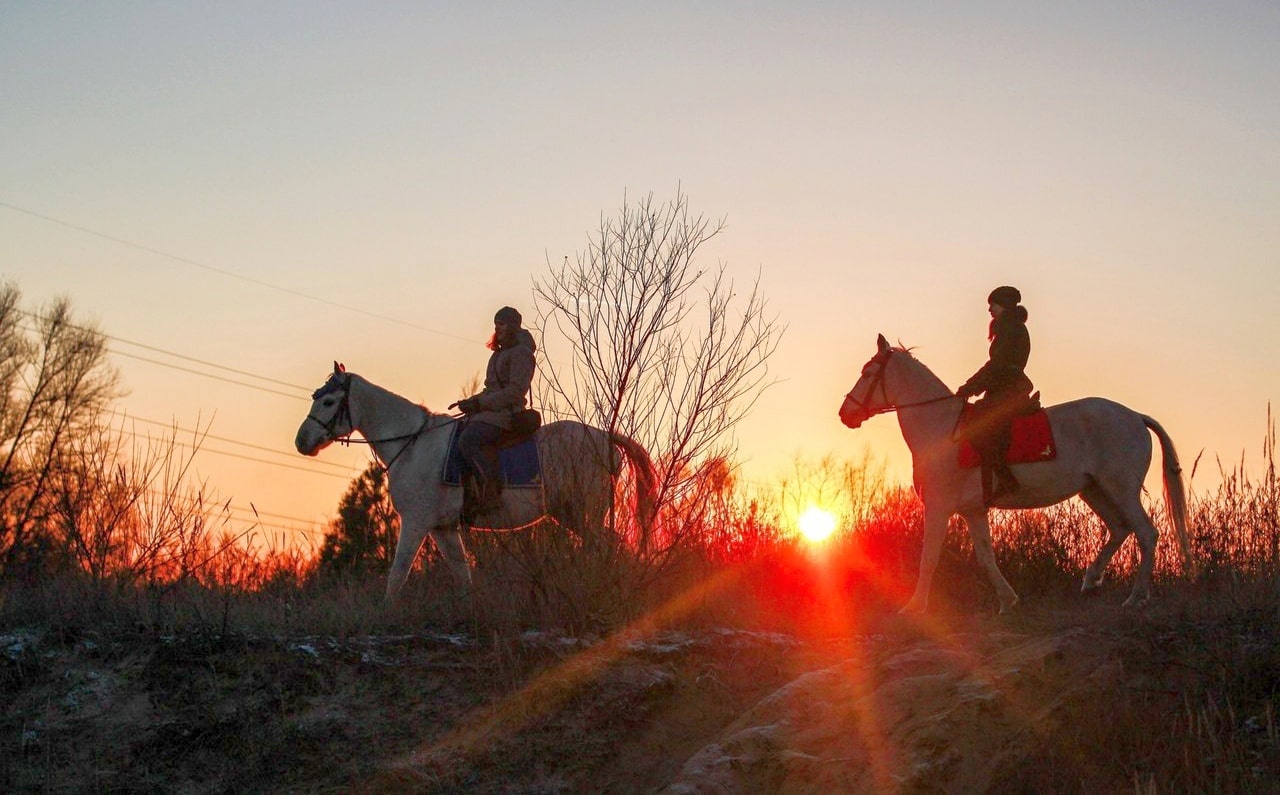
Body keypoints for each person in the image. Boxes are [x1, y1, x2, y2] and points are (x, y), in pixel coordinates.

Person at [454, 306, 537, 521]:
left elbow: (514, 391)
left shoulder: (522, 354)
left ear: (513, 326)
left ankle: (492, 488)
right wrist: (472, 401)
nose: (498, 327)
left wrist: (481, 403)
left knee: (468, 441)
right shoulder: (498, 354)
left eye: (502, 323)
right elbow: (491, 388)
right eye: (496, 323)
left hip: (507, 415)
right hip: (490, 413)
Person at [956, 285, 1034, 502]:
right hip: (1006, 387)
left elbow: (997, 366)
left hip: (1010, 389)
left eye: (993, 304)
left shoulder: (1010, 329)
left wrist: (969, 388)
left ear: (1004, 305)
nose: (989, 309)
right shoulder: (1009, 327)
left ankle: (1007, 479)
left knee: (979, 427)